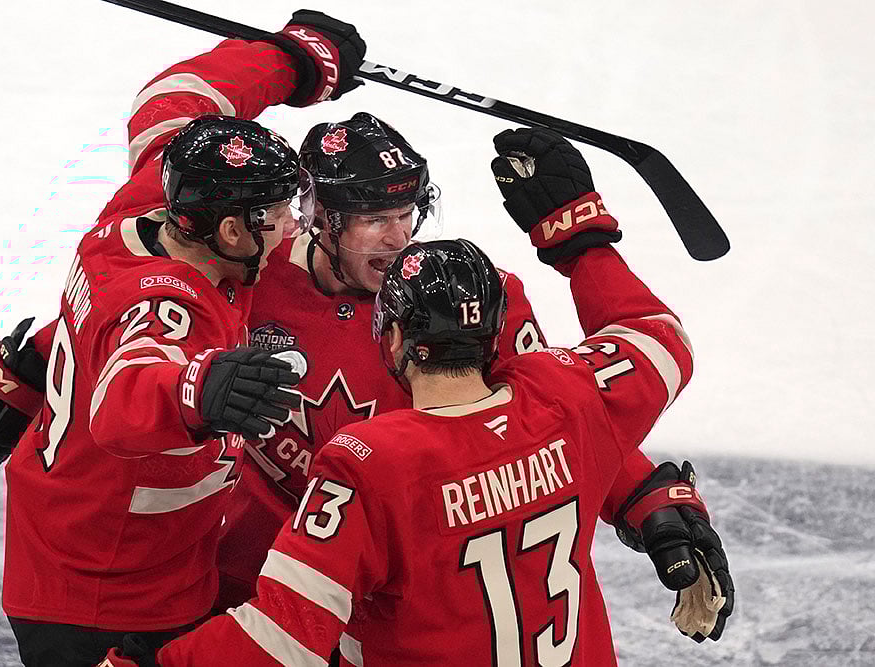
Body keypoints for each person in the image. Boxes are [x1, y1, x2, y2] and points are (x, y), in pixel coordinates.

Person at [99, 127, 732, 667]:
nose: (398, 237)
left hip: (389, 604)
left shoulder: (459, 304)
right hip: (252, 584)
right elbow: (140, 320)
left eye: (407, 215)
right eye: (375, 219)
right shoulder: (252, 270)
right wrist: (36, 361)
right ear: (320, 215)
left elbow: (544, 423)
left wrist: (647, 499)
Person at [0, 10, 367, 666]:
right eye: (279, 214)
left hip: (101, 550)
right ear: (231, 231)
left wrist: (297, 61)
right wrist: (198, 390)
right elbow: (127, 392)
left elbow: (177, 98)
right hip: (107, 602)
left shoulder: (156, 201)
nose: (293, 227)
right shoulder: (168, 308)